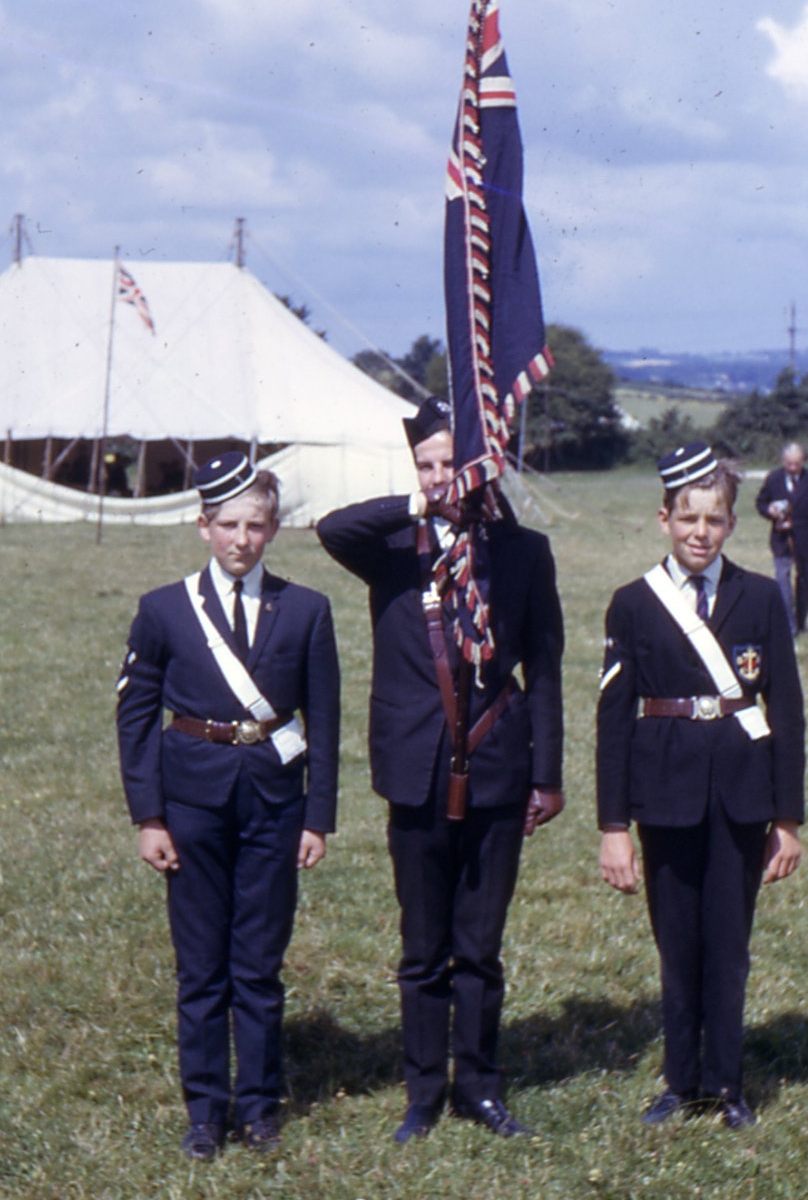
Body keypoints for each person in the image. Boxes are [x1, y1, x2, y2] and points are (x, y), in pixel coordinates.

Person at [316, 396, 564, 1143]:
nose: (438, 476)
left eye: (450, 462)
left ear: (481, 466)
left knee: (479, 945)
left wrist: (546, 774)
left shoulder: (521, 551)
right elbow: (330, 528)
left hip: (496, 764)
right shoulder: (393, 545)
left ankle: (479, 1086)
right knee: (422, 944)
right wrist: (418, 500)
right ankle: (423, 1091)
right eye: (425, 463)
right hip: (417, 768)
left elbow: (545, 668)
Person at [116, 452, 340, 1160]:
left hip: (275, 803)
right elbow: (136, 714)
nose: (242, 539)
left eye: (256, 525)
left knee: (258, 962)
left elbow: (327, 719)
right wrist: (149, 815)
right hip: (192, 802)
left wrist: (317, 815)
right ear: (202, 525)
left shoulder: (305, 609)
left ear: (273, 529)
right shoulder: (163, 609)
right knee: (201, 965)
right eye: (228, 525)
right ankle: (206, 1110)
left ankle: (259, 1105)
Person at [597, 442, 805, 1130]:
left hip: (740, 798)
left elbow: (787, 710)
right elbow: (612, 722)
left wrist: (787, 817)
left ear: (730, 526)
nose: (699, 532)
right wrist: (612, 825)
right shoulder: (632, 603)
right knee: (676, 941)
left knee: (727, 944)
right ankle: (677, 1079)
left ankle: (726, 1082)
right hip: (664, 795)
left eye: (714, 520)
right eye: (687, 517)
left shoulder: (761, 596)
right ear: (663, 517)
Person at [755, 442, 808, 634]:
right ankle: (788, 626)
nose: (792, 468)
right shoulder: (773, 479)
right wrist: (769, 510)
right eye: (789, 464)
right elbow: (761, 502)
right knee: (782, 578)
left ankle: (801, 621)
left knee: (806, 581)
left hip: (806, 539)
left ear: (802, 462)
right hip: (781, 539)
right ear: (783, 461)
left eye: (796, 464)